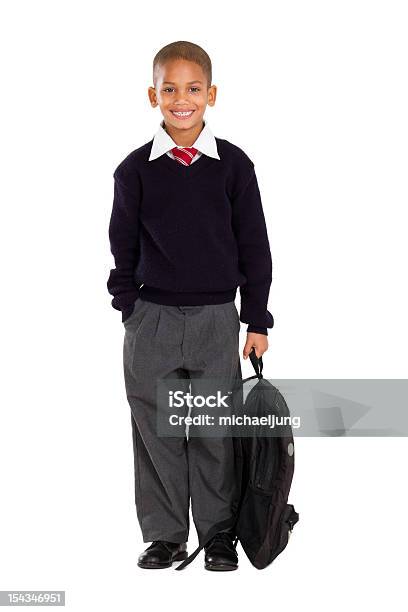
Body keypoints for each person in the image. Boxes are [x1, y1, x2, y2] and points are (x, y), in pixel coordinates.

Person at [107, 40, 274, 571]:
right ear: (153, 95)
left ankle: (218, 532)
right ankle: (165, 535)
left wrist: (257, 317)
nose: (183, 100)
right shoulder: (134, 170)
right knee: (155, 428)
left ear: (212, 94)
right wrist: (127, 303)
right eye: (171, 89)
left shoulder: (233, 167)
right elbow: (123, 243)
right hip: (149, 319)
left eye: (194, 89)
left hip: (214, 318)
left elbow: (254, 246)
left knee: (212, 428)